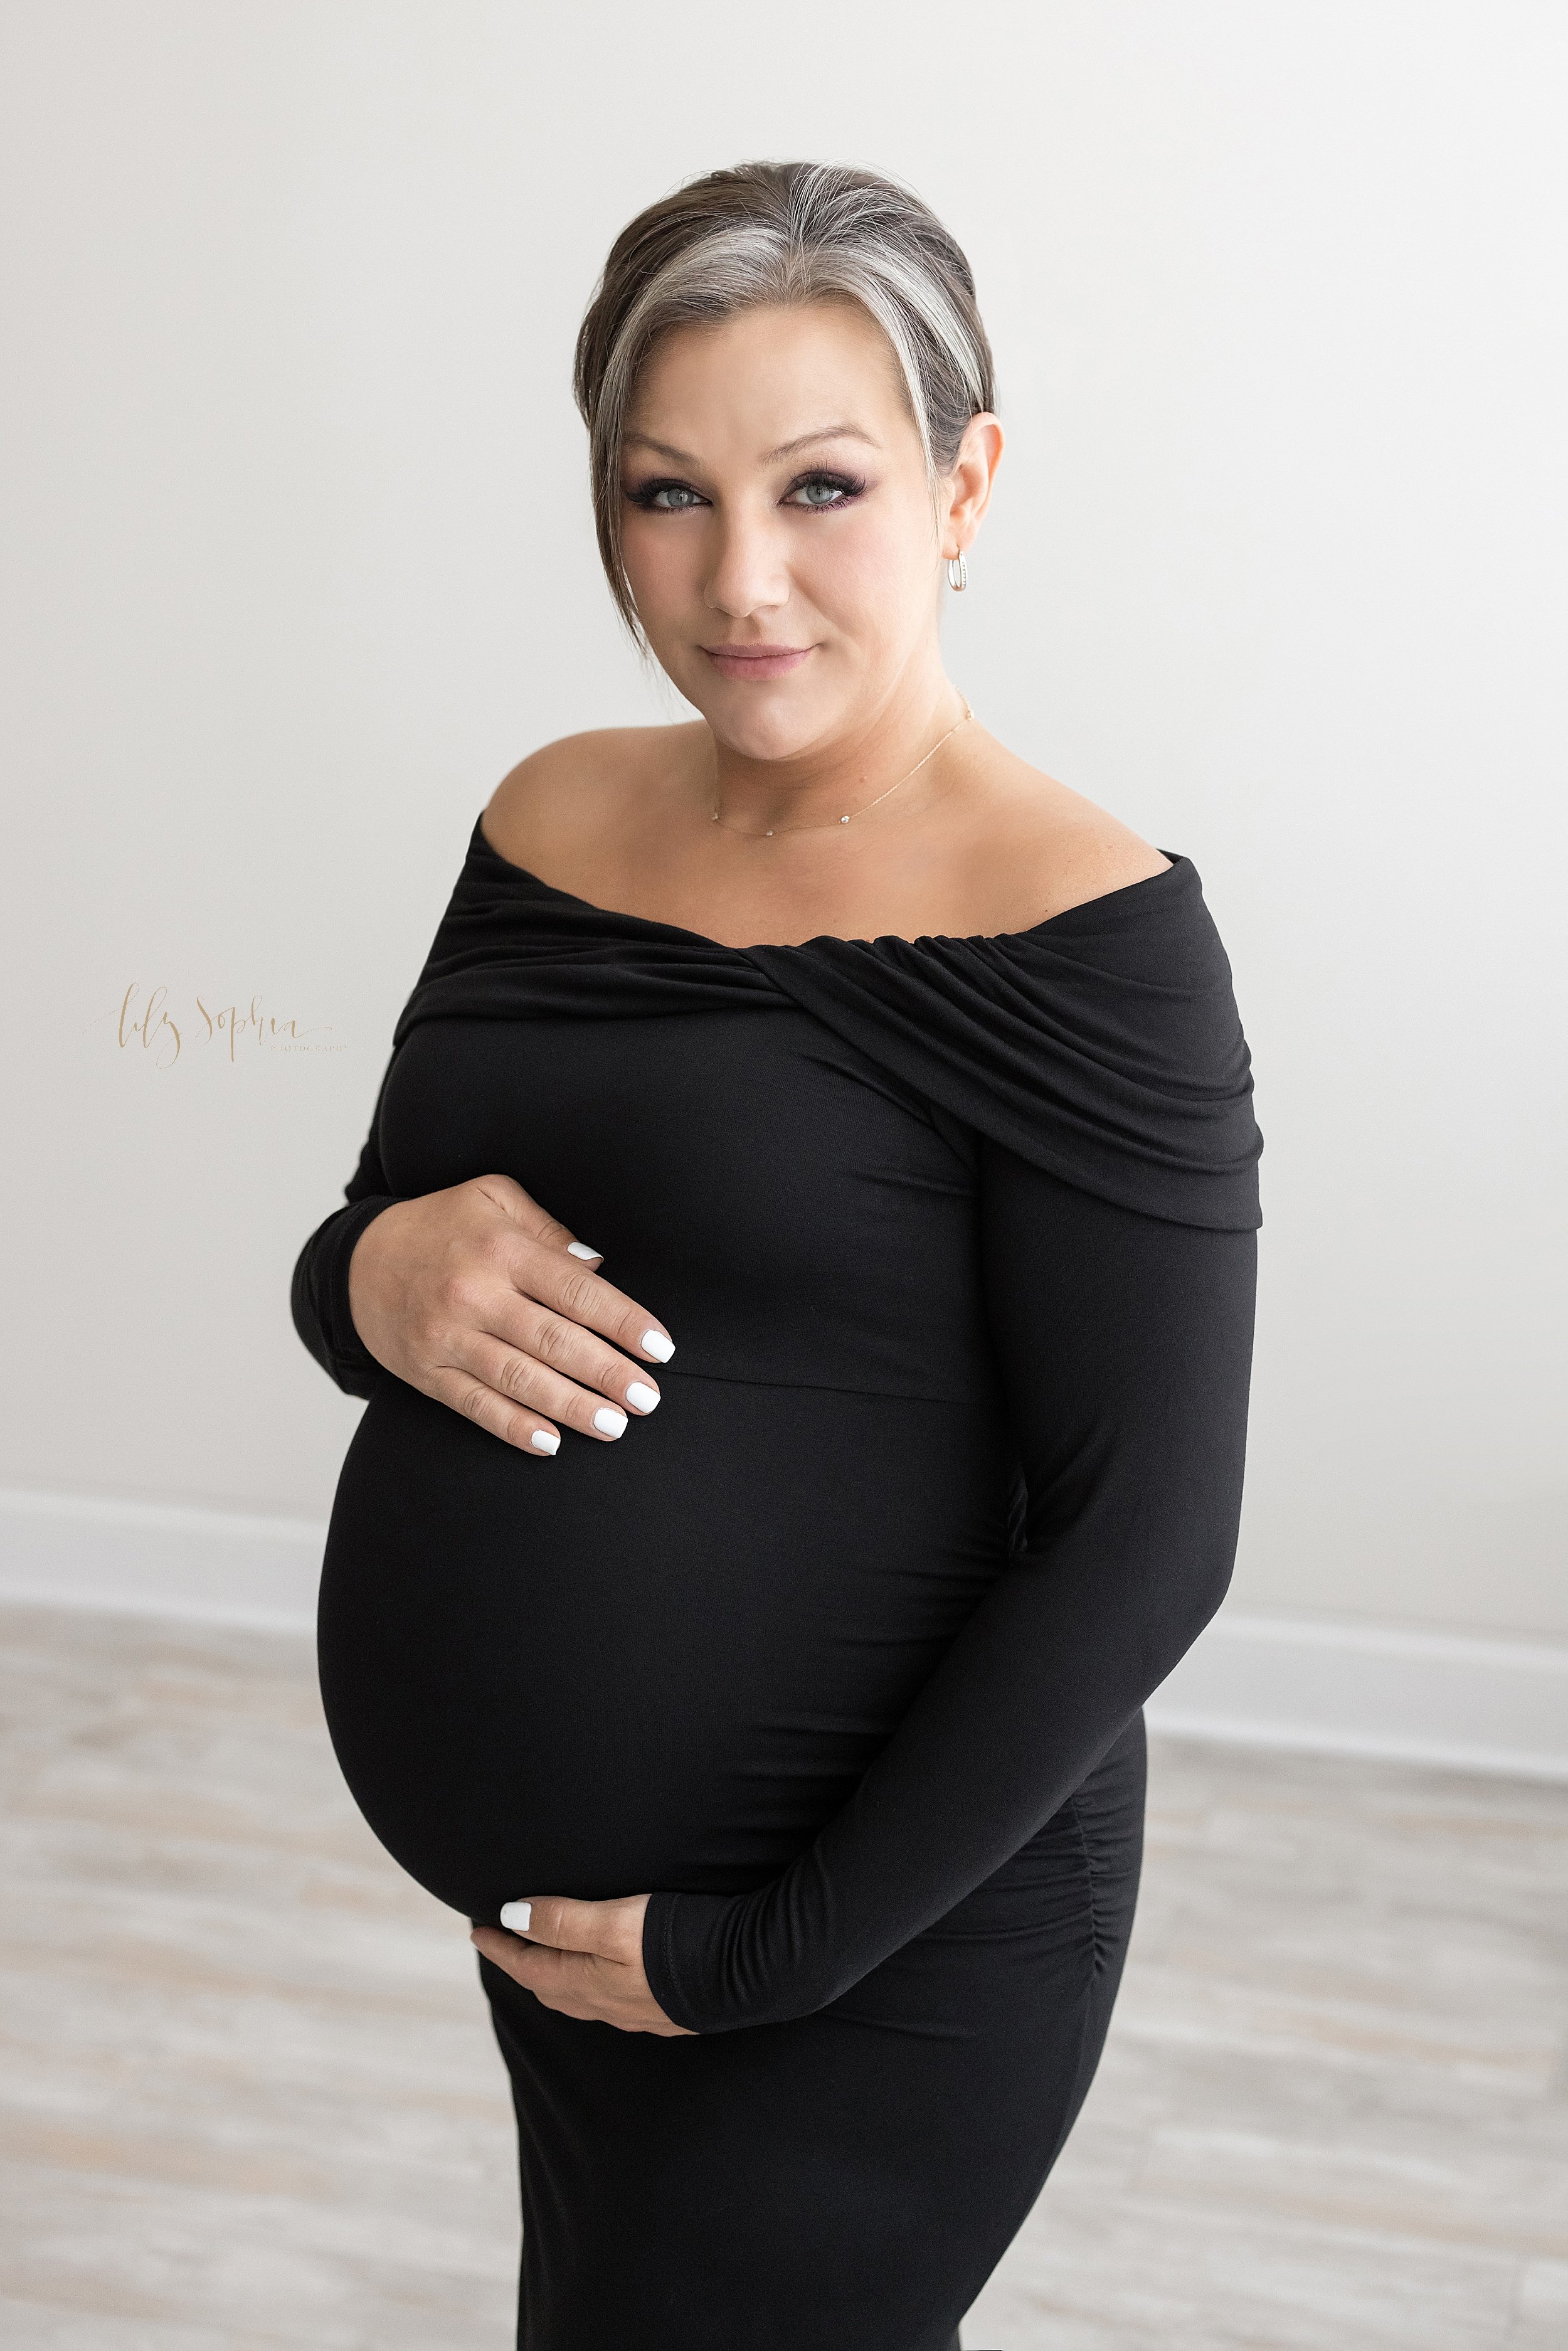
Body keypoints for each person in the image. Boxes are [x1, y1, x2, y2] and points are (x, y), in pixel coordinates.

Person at [290, 159, 1261, 2351]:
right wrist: (363, 1280)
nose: (737, 582)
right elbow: (382, 1253)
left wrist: (759, 1953)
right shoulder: (554, 815)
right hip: (583, 1934)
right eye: (663, 494)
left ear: (962, 481)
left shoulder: (1089, 936)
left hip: (869, 1951)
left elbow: (1147, 1543)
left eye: (820, 486)